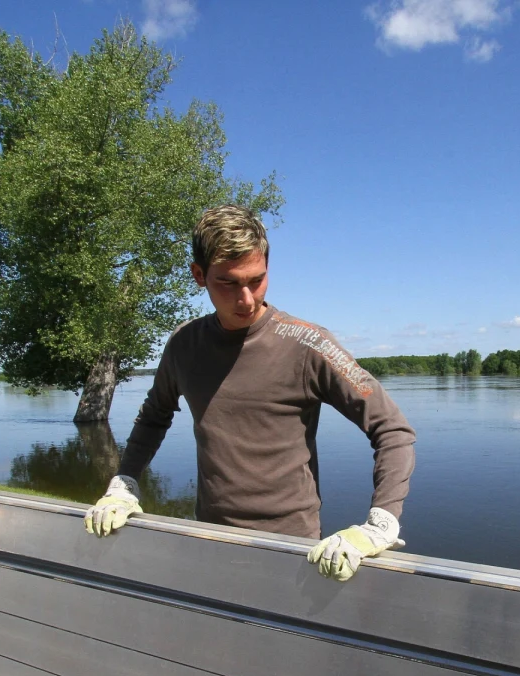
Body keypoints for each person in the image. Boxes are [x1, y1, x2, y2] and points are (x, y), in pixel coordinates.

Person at [84, 205, 416, 581]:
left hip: (294, 552)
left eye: (256, 280)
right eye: (228, 283)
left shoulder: (309, 344)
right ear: (199, 275)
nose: (246, 299)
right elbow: (154, 417)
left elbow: (393, 430)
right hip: (211, 541)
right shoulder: (184, 345)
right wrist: (124, 483)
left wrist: (381, 522)